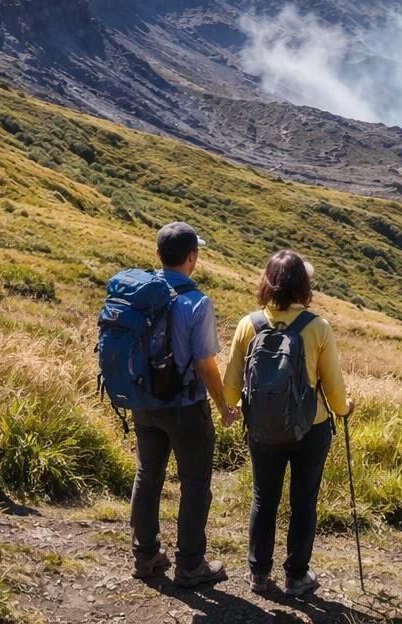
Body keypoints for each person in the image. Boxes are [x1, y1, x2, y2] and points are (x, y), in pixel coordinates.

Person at [222, 250, 352, 599]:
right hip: (311, 427)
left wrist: (233, 409)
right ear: (303, 286)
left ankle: (258, 573)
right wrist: (345, 409)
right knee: (303, 501)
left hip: (262, 428)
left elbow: (231, 384)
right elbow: (334, 389)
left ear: (267, 282)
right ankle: (296, 576)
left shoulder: (249, 324)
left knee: (263, 498)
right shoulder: (317, 327)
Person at [128, 222, 239, 588]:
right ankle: (190, 565)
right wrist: (223, 406)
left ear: (158, 255)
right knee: (194, 484)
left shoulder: (139, 293)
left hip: (144, 401)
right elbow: (206, 365)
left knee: (147, 476)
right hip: (185, 406)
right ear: (193, 256)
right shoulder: (197, 302)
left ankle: (145, 556)